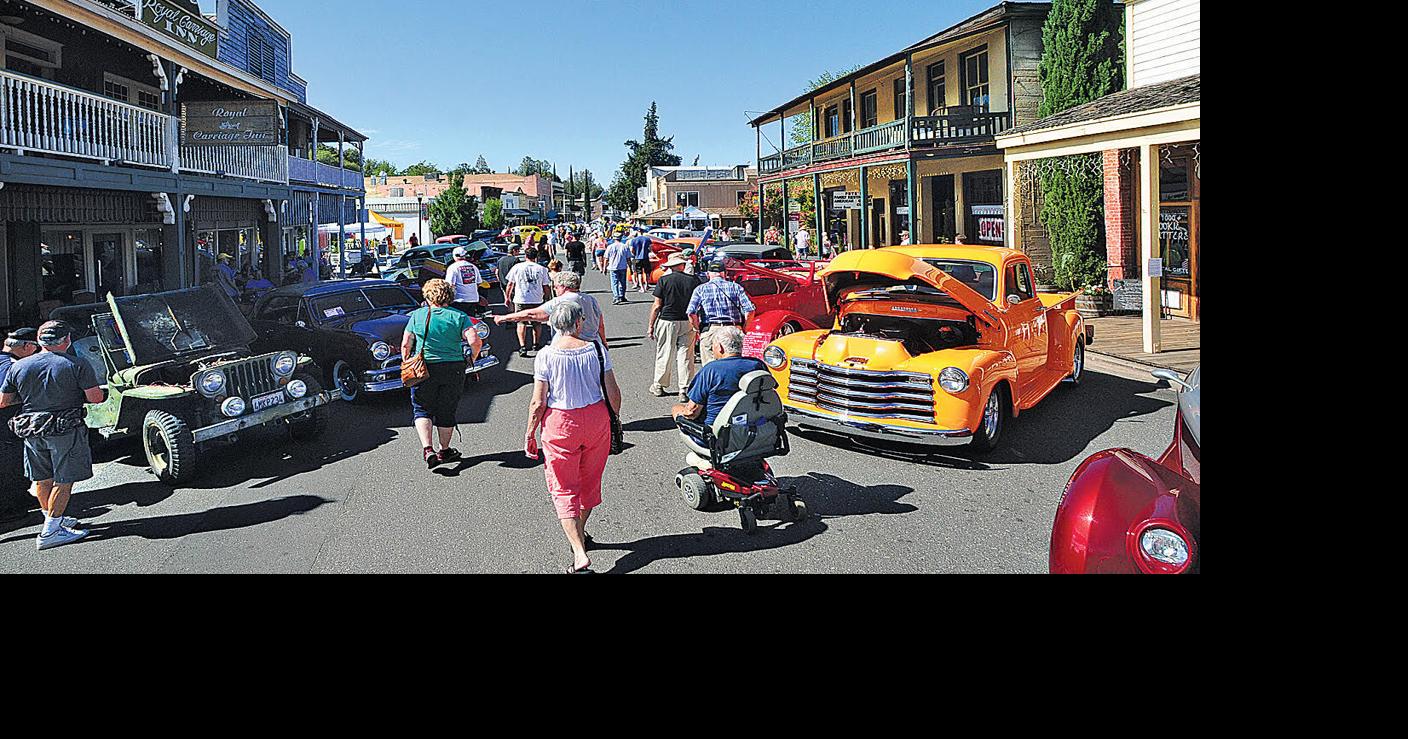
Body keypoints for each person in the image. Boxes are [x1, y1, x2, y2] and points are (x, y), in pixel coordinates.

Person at [525, 301, 622, 574]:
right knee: (589, 481)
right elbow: (613, 392)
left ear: (554, 324)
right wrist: (613, 419)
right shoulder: (596, 349)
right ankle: (580, 531)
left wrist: (529, 432)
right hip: (595, 419)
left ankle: (579, 552)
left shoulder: (545, 355)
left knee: (564, 487)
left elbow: (538, 402)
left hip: (560, 422)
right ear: (579, 323)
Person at [0, 321, 106, 550]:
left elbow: (4, 401)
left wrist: (34, 401)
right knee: (65, 479)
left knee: (42, 478)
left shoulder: (17, 366)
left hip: (31, 428)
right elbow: (95, 397)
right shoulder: (77, 364)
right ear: (67, 340)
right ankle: (50, 531)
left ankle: (53, 518)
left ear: (39, 341)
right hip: (65, 429)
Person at [401, 279, 483, 470]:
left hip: (424, 367)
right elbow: (475, 340)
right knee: (446, 409)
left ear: (428, 295)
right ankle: (444, 450)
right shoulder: (459, 316)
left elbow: (406, 344)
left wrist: (407, 361)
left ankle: (427, 449)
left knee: (421, 408)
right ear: (449, 295)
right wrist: (472, 358)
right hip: (453, 367)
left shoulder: (418, 315)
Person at [672, 326, 765, 437]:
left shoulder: (711, 370)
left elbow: (692, 412)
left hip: (717, 434)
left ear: (720, 347)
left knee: (676, 409)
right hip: (753, 429)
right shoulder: (758, 364)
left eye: (713, 345)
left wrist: (681, 413)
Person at [497, 270, 607, 346]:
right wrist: (604, 342)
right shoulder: (591, 299)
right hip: (593, 345)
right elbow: (600, 324)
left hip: (567, 347)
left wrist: (504, 317)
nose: (554, 289)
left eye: (556, 287)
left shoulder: (559, 302)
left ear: (564, 286)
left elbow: (532, 314)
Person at [1, 328, 41, 522]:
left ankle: (20, 497)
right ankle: (8, 509)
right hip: (5, 425)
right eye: (35, 348)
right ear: (26, 346)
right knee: (10, 465)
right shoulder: (11, 366)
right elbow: (3, 400)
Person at [686, 258, 756, 368]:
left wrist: (697, 329)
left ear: (709, 274)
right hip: (733, 329)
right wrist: (745, 327)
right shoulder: (736, 287)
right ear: (725, 273)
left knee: (710, 367)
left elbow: (691, 312)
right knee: (734, 364)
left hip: (711, 329)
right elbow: (750, 310)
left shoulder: (700, 289)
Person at [647, 253, 698, 402]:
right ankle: (684, 388)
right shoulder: (693, 281)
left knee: (664, 352)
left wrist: (651, 325)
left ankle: (659, 385)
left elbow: (657, 306)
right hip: (687, 320)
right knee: (686, 356)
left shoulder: (664, 280)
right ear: (682, 265)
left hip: (667, 320)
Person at [503, 247, 552, 357]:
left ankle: (522, 346)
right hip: (537, 298)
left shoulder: (517, 267)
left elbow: (510, 284)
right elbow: (546, 286)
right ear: (536, 256)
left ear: (525, 256)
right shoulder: (542, 269)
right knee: (537, 322)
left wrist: (507, 297)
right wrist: (547, 298)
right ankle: (536, 343)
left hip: (521, 298)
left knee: (521, 322)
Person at [446, 246, 485, 315]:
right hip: (473, 299)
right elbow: (479, 282)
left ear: (455, 256)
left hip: (459, 300)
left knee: (460, 321)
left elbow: (450, 284)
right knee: (470, 320)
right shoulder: (473, 266)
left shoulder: (453, 267)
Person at [603, 235, 632, 305]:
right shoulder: (625, 246)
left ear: (614, 239)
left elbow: (606, 258)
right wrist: (630, 267)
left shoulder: (610, 247)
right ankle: (622, 296)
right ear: (621, 238)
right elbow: (628, 258)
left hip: (613, 266)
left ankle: (616, 297)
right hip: (623, 266)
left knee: (614, 283)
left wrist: (604, 268)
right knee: (623, 282)